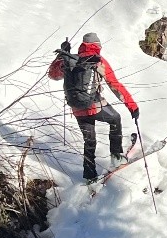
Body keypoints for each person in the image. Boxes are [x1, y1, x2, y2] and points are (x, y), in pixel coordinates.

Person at [48, 32, 139, 183]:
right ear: (97, 46)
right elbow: (115, 85)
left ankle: (90, 175)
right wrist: (132, 107)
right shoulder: (98, 61)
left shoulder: (70, 60)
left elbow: (53, 75)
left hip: (77, 109)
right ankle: (116, 157)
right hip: (95, 106)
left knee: (89, 141)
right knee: (115, 119)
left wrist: (61, 56)